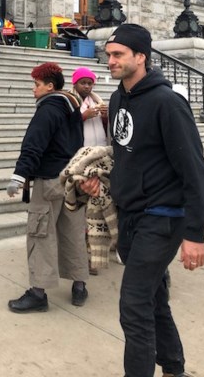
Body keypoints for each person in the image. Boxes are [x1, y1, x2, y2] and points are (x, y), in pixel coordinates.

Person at [80, 23, 204, 377]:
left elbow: (195, 171)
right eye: (108, 55)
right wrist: (101, 183)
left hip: (163, 217)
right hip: (131, 215)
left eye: (118, 54)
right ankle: (173, 368)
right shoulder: (119, 98)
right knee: (152, 299)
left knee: (133, 305)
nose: (110, 61)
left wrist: (195, 233)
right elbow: (125, 156)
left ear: (141, 57)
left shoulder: (168, 103)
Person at [6, 62, 88, 313]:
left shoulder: (48, 110)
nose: (33, 89)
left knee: (40, 234)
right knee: (73, 231)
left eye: (37, 84)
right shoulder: (72, 107)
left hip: (49, 179)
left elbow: (33, 144)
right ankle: (79, 285)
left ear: (49, 86)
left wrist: (19, 176)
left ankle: (38, 292)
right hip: (72, 178)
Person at [70, 66, 114, 275]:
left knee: (94, 208)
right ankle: (81, 256)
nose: (87, 86)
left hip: (97, 158)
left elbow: (106, 129)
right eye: (83, 83)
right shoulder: (70, 101)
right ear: (75, 83)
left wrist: (106, 116)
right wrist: (82, 116)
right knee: (81, 209)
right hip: (79, 159)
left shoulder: (98, 101)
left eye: (90, 83)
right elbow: (65, 126)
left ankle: (92, 253)